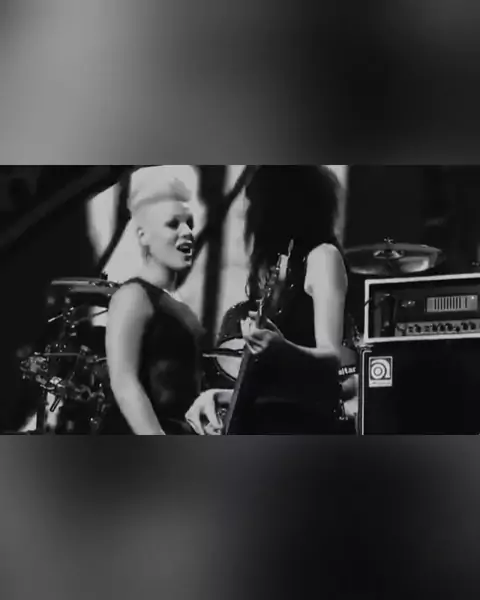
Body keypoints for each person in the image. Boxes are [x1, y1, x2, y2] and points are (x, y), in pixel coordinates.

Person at [186, 165, 358, 434]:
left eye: (255, 204)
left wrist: (281, 348)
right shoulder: (280, 269)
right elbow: (283, 391)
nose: (249, 215)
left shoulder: (323, 257)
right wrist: (220, 396)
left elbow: (330, 359)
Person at [104, 165, 209, 435]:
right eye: (173, 224)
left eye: (189, 223)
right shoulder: (133, 296)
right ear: (143, 235)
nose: (187, 232)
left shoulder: (178, 305)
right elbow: (124, 382)